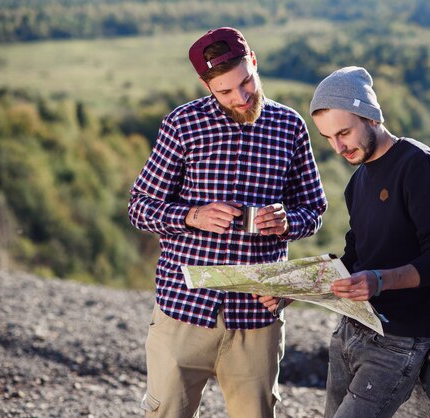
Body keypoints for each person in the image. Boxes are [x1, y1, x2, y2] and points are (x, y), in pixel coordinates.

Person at [128, 27, 327, 418]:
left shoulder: (290, 127)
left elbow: (314, 210)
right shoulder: (182, 124)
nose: (240, 98)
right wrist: (191, 215)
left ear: (253, 62)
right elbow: (139, 207)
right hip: (183, 309)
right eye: (225, 92)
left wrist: (287, 222)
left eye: (246, 83)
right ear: (206, 85)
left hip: (256, 317)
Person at [309, 66, 430, 417]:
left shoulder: (418, 165)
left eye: (344, 132)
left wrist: (380, 281)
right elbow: (354, 258)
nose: (338, 146)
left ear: (372, 117)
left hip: (397, 343)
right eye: (328, 138)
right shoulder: (357, 181)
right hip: (350, 331)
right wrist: (293, 288)